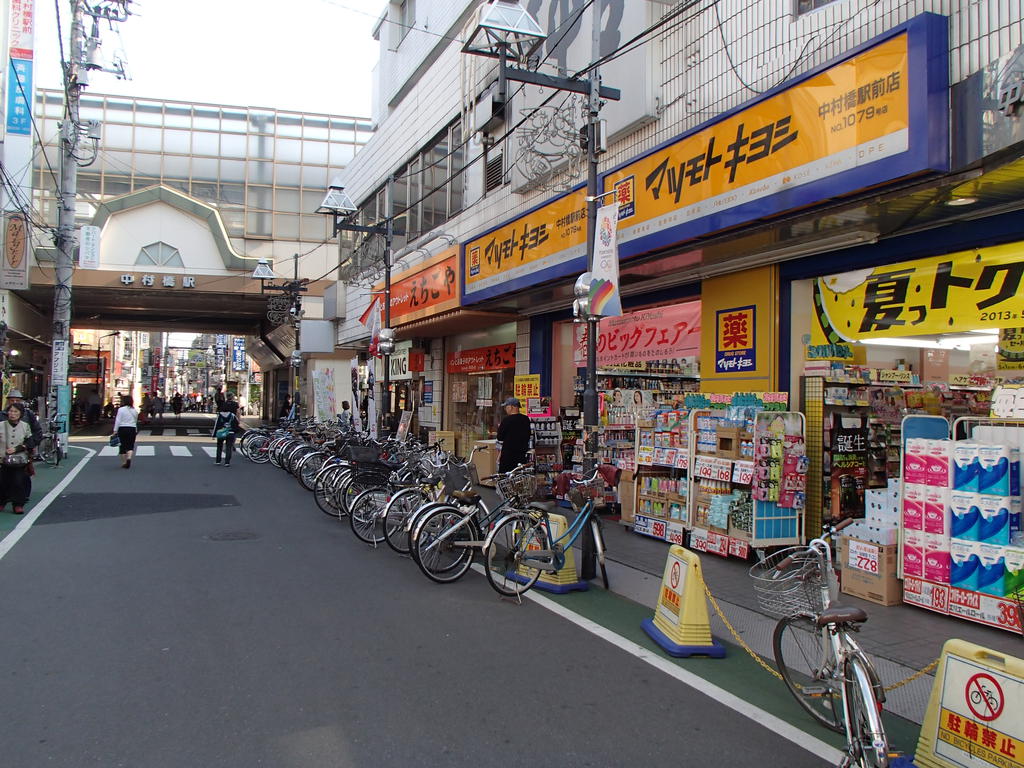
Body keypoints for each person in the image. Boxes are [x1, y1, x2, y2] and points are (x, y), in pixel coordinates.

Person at [0, 402, 34, 514]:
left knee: (18, 481)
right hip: (2, 458)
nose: (12, 414)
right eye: (10, 411)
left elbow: (30, 442)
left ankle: (18, 504)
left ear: (20, 414)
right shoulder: (1, 425)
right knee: (2, 481)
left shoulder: (25, 426)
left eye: (15, 411)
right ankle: (2, 502)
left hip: (19, 460)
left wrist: (17, 449)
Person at [496, 397, 532, 473]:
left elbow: (499, 437)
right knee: (519, 478)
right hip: (521, 455)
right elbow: (528, 435)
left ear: (511, 407)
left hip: (508, 456)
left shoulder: (506, 420)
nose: (505, 409)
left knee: (505, 479)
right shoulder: (526, 419)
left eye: (506, 407)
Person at [6, 389, 42, 454]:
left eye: (17, 400)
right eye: (12, 400)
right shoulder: (2, 415)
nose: (15, 402)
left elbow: (37, 432)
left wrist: (28, 445)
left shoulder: (28, 414)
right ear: (8, 401)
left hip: (24, 453)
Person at [113, 395, 139, 469]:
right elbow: (135, 421)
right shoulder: (134, 411)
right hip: (132, 429)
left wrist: (115, 430)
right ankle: (129, 458)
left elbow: (118, 420)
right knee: (130, 445)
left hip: (122, 428)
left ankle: (124, 462)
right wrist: (136, 430)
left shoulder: (121, 409)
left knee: (122, 446)